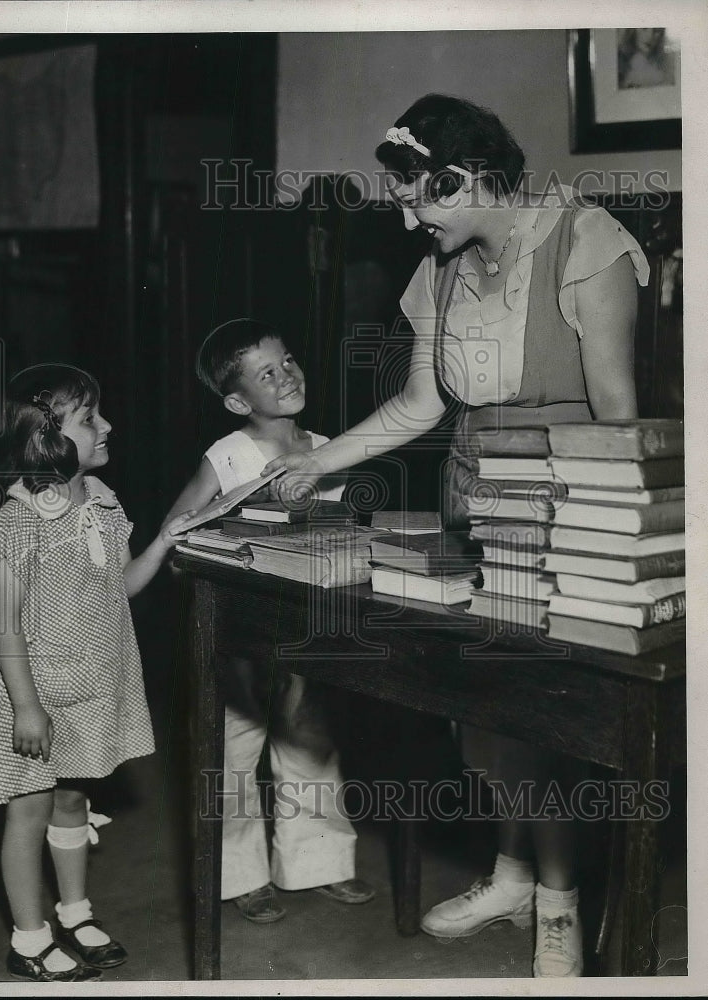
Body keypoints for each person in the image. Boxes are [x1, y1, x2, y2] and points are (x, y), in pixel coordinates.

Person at [261, 95, 649, 977]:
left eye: (417, 198)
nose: (406, 218)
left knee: (539, 713)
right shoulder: (440, 269)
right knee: (478, 713)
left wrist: (596, 535)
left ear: (465, 177)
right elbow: (422, 404)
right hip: (472, 493)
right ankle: (514, 872)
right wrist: (318, 466)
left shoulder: (585, 244)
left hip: (569, 503)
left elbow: (619, 416)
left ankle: (560, 903)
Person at [0, 364, 192, 982]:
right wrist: (26, 706)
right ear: (48, 437)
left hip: (92, 682)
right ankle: (29, 938)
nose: (107, 426)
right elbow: (6, 625)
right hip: (33, 690)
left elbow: (120, 586)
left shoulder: (102, 500)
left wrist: (163, 542)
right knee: (29, 810)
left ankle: (75, 911)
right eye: (90, 418)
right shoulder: (15, 524)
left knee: (74, 795)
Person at [167, 318, 375, 923]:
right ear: (237, 401)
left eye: (288, 361)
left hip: (309, 625)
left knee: (307, 734)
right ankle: (240, 875)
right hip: (237, 628)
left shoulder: (328, 446)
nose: (286, 377)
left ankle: (319, 863)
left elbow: (344, 533)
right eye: (267, 374)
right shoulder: (228, 455)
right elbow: (177, 535)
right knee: (234, 746)